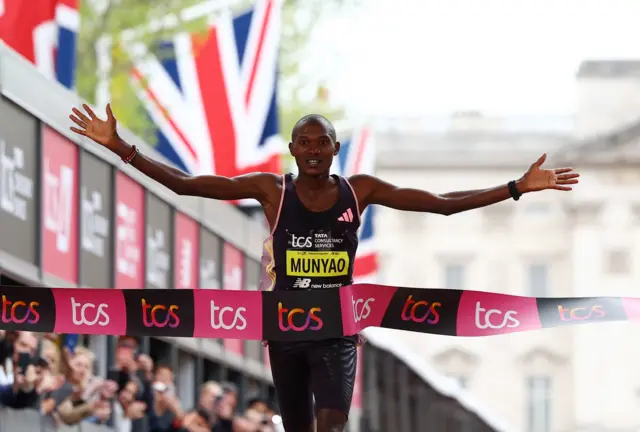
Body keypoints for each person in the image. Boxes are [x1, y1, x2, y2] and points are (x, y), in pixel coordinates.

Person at [68, 104, 580, 432]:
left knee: (330, 428)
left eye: (322, 142)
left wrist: (515, 188)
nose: (313, 150)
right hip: (285, 332)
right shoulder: (272, 190)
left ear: (336, 149)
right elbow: (187, 184)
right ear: (293, 150)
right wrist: (121, 148)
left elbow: (442, 203)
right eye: (304, 142)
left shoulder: (361, 190)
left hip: (337, 332)